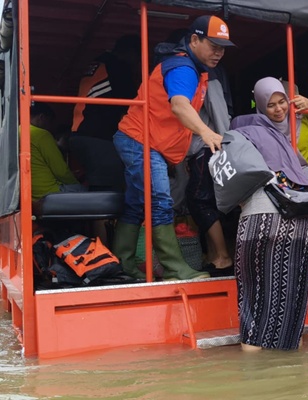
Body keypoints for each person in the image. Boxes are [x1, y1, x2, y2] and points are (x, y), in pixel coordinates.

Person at [112, 15, 236, 281]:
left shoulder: (190, 66)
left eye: (222, 47)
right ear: (194, 40)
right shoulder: (183, 68)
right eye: (213, 45)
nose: (219, 53)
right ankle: (174, 268)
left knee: (136, 204)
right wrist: (206, 131)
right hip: (140, 140)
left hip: (142, 139)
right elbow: (179, 105)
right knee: (161, 201)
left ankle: (124, 264)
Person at [233, 77, 308, 351]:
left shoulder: (240, 130)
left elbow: (233, 179)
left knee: (254, 301)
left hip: (260, 220)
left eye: (283, 102)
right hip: (302, 223)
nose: (279, 109)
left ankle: (254, 380)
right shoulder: (285, 141)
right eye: (272, 105)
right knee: (291, 302)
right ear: (261, 106)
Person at [70, 34, 140, 193]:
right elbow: (133, 103)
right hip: (98, 136)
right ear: (131, 53)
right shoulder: (117, 66)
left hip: (78, 132)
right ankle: (102, 218)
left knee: (97, 183)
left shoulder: (98, 63)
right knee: (107, 189)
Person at [30, 103, 83, 201]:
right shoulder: (42, 135)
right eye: (50, 122)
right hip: (49, 192)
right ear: (42, 117)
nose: (50, 127)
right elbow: (61, 171)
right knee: (86, 191)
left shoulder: (17, 133)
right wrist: (76, 182)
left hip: (31, 193)